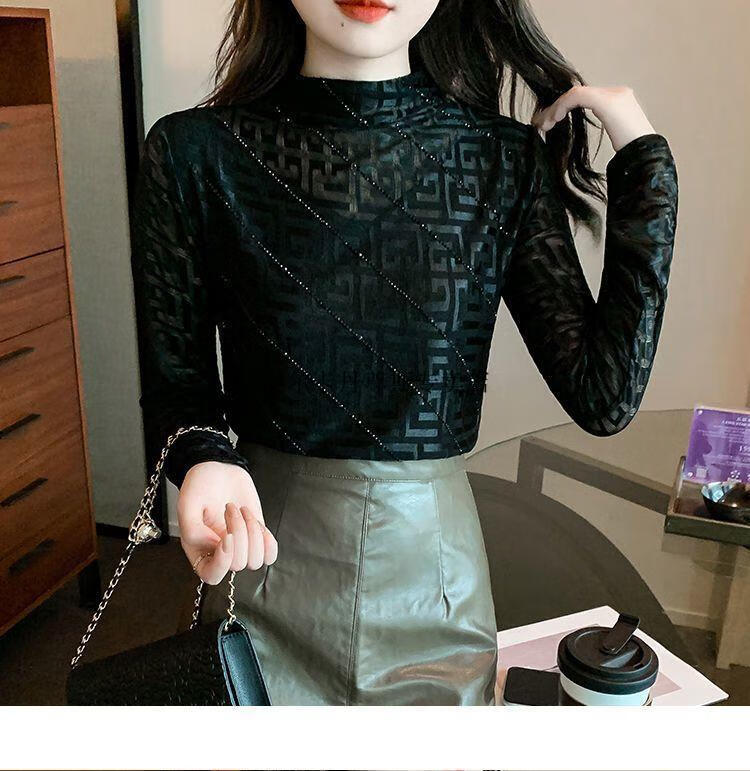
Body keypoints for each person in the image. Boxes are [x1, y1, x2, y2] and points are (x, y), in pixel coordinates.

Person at [130, 0, 678, 705]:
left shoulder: (500, 160)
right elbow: (177, 382)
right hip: (259, 566)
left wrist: (645, 163)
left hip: (437, 592)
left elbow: (605, 396)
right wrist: (202, 458)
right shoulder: (194, 153)